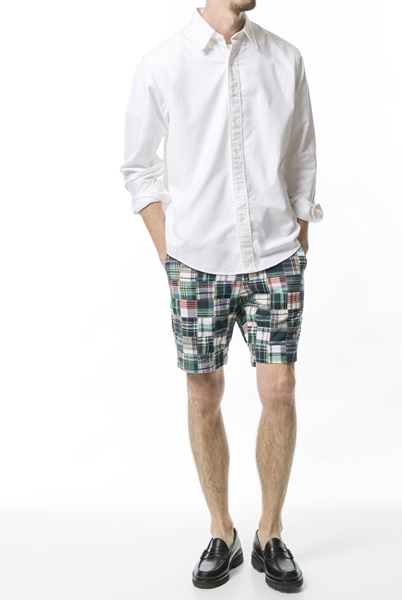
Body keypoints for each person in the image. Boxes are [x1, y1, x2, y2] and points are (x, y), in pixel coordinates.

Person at [120, 0, 323, 592]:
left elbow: (302, 156)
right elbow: (138, 168)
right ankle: (221, 530)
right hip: (197, 263)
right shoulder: (162, 64)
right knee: (203, 393)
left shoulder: (285, 59)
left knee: (279, 390)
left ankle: (270, 533)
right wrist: (171, 255)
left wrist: (298, 235)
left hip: (275, 259)